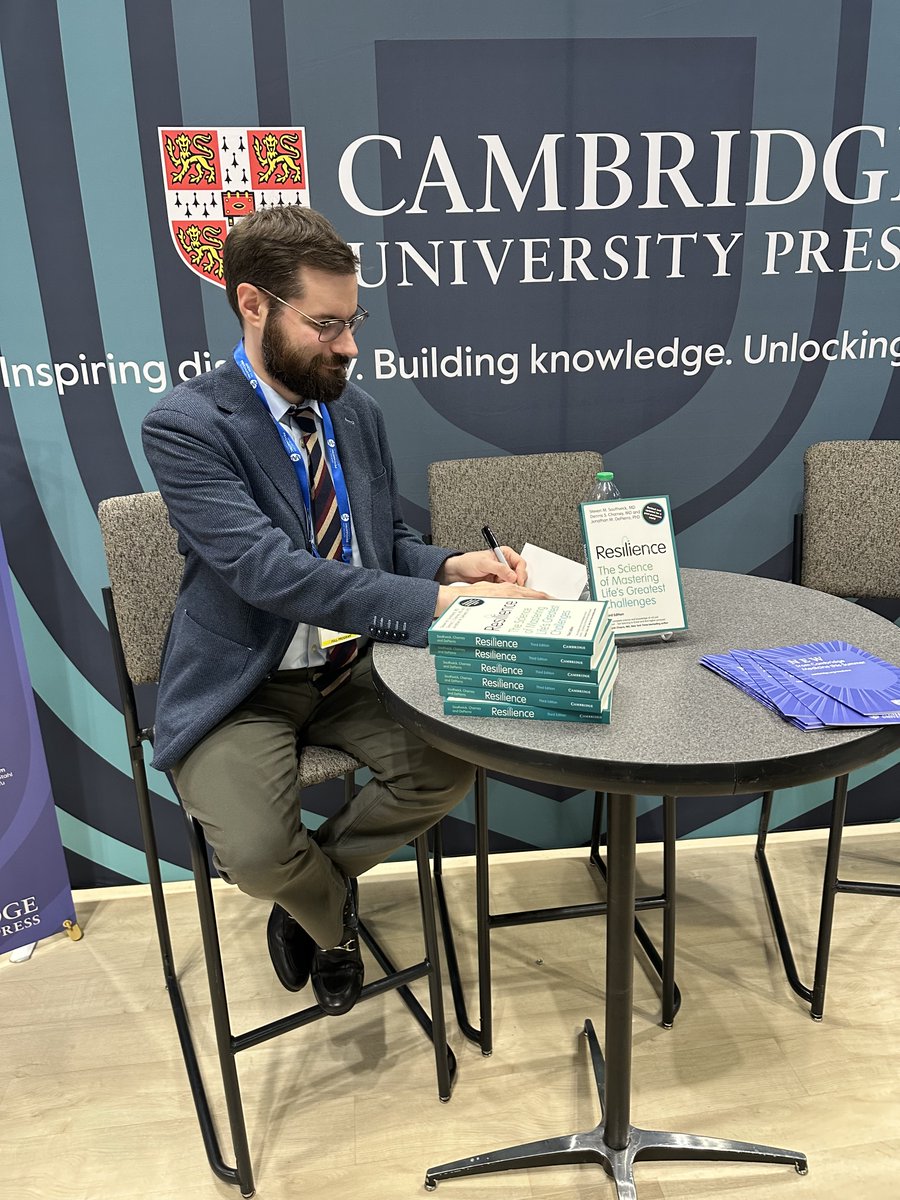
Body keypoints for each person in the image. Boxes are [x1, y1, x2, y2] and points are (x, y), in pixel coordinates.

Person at [142, 205, 545, 1016]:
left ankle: (317, 891)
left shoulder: (354, 411)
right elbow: (270, 571)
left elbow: (379, 539)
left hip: (353, 665)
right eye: (326, 325)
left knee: (446, 767)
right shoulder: (185, 426)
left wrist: (450, 562)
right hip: (244, 681)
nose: (350, 346)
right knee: (256, 853)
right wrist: (440, 599)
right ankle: (326, 920)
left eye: (353, 319)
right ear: (254, 305)